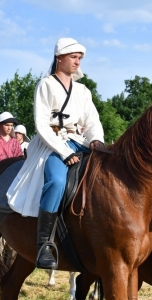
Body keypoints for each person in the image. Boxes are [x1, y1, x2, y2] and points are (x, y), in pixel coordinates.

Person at [7, 37, 105, 270]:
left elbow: (92, 121)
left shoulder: (82, 90)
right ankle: (44, 244)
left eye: (79, 58)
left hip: (78, 141)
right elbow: (41, 124)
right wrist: (62, 152)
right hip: (52, 143)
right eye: (73, 57)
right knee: (57, 181)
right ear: (59, 58)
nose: (77, 62)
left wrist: (97, 141)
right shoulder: (46, 84)